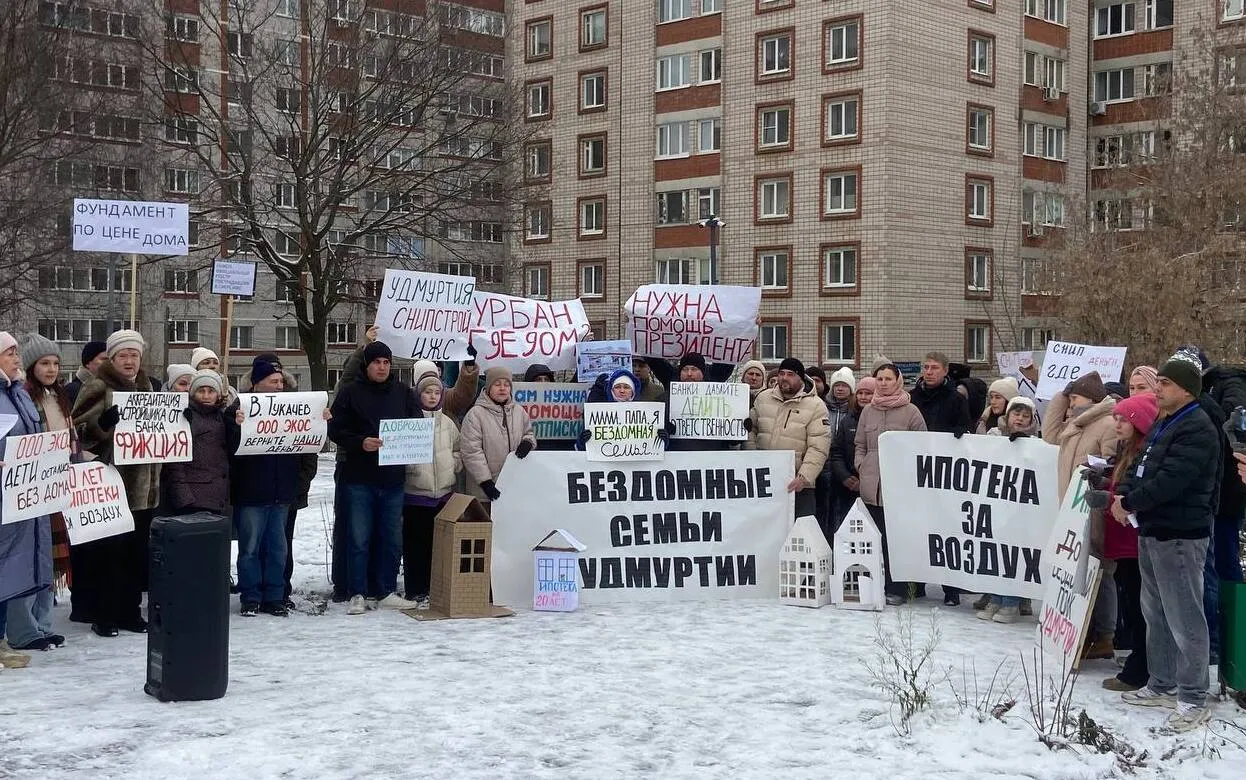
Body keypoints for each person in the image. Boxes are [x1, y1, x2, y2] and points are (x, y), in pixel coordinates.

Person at [1109, 351, 1219, 732]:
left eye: (1166, 383)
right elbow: (1141, 465)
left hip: (1180, 535)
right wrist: (1122, 496)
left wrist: (1132, 501)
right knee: (1155, 613)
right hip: (1152, 530)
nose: (1159, 389)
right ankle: (1161, 681)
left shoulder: (1198, 427)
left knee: (1185, 616)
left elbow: (1173, 480)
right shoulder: (1165, 421)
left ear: (1186, 390)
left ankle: (1193, 695)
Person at [71, 329, 160, 637]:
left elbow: (162, 431)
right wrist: (103, 424)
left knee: (136, 555)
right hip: (111, 486)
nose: (129, 361)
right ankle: (105, 614)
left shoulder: (148, 388)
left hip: (143, 487)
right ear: (112, 357)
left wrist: (182, 421)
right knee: (110, 554)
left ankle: (130, 612)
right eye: (123, 355)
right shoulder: (99, 385)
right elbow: (79, 430)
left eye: (134, 355)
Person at [329, 342, 422, 615]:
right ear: (366, 365)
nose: (382, 367)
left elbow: (416, 424)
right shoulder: (349, 392)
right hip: (358, 478)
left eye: (386, 362)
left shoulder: (403, 392)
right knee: (358, 538)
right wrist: (360, 443)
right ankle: (356, 592)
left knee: (391, 539)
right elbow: (335, 429)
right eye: (376, 362)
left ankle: (385, 590)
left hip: (392, 480)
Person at [1042, 371, 1119, 657]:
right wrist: (1061, 397)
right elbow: (1050, 435)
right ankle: (1084, 631)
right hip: (1073, 511)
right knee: (1079, 571)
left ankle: (1105, 635)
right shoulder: (1076, 425)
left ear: (1092, 398)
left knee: (1101, 572)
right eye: (1070, 397)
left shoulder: (1108, 424)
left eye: (1075, 397)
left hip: (1096, 511)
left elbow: (1112, 467)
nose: (1071, 402)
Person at [10, 334, 71, 651]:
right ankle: (26, 627)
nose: (51, 369)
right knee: (28, 559)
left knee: (48, 560)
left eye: (56, 363)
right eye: (44, 363)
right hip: (30, 488)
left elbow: (67, 438)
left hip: (55, 486)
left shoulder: (59, 397)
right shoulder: (23, 397)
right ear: (32, 365)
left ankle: (44, 624)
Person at [230, 362, 305, 617]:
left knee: (278, 548)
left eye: (281, 382)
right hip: (251, 492)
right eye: (274, 381)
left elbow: (306, 444)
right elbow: (228, 448)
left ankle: (274, 596)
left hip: (281, 492)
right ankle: (251, 596)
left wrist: (320, 420)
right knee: (250, 548)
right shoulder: (238, 409)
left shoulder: (292, 410)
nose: (279, 386)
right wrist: (234, 424)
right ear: (256, 383)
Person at [0, 333, 57, 662]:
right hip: (6, 495)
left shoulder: (16, 393)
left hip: (24, 495)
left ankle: (17, 633)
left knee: (20, 562)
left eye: (15, 353)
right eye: (9, 353)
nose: (16, 358)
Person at [855, 363, 927, 605]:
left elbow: (921, 447)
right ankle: (874, 583)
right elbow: (860, 444)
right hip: (871, 484)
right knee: (873, 537)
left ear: (897, 380)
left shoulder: (911, 411)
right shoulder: (868, 411)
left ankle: (897, 588)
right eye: (879, 379)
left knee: (894, 539)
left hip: (899, 486)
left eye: (887, 378)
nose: (883, 383)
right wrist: (861, 464)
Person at [1101, 391, 1158, 692]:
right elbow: (1122, 485)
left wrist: (1109, 496)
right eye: (1116, 418)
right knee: (1130, 600)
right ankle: (1139, 657)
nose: (1118, 424)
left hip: (1134, 539)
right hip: (1122, 538)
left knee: (1139, 604)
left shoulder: (1145, 452)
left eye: (1124, 419)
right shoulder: (1127, 450)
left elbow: (1135, 492)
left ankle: (1141, 665)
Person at [912, 352, 971, 606]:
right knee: (918, 528)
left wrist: (959, 433)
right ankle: (917, 582)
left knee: (947, 528)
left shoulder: (956, 399)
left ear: (945, 371)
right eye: (925, 367)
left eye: (934, 367)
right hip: (917, 472)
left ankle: (951, 588)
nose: (929, 371)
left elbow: (967, 430)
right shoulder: (912, 398)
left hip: (946, 475)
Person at [976, 397, 1039, 623]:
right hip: (995, 504)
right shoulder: (994, 435)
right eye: (1016, 414)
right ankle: (995, 598)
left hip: (1019, 509)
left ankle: (1011, 602)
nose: (1020, 419)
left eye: (1025, 416)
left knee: (1011, 555)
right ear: (1007, 416)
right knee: (993, 552)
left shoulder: (1036, 442)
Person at [402, 372, 462, 605]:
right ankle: (415, 588)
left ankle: (434, 587)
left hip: (443, 496)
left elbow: (458, 448)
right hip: (416, 494)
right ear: (419, 393)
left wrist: (453, 465)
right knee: (416, 545)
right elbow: (400, 452)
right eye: (427, 392)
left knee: (438, 547)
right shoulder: (409, 421)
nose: (432, 396)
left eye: (437, 392)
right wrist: (410, 468)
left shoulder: (448, 423)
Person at [750, 358, 831, 519]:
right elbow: (750, 430)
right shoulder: (763, 398)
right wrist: (752, 458)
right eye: (781, 374)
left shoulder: (816, 406)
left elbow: (819, 447)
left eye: (790, 374)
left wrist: (804, 477)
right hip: (763, 481)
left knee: (799, 535)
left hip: (797, 485)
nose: (784, 378)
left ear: (800, 377)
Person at [461, 367, 536, 503]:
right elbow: (471, 451)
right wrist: (485, 482)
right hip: (484, 493)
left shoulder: (519, 412)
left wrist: (528, 443)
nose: (502, 388)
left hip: (514, 488)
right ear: (488, 387)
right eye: (497, 384)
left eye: (506, 384)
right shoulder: (475, 414)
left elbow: (529, 433)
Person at [164, 370, 233, 515]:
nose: (206, 396)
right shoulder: (185, 417)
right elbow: (175, 464)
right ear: (193, 393)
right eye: (201, 391)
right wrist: (183, 498)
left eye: (211, 391)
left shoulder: (223, 416)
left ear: (218, 394)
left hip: (220, 499)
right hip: (194, 500)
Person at [829, 377, 876, 533]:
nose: (863, 397)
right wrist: (845, 477)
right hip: (848, 487)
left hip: (874, 488)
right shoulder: (847, 421)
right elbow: (836, 452)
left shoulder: (881, 419)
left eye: (868, 393)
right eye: (860, 393)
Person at [65, 340, 107, 405]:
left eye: (110, 360)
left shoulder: (110, 387)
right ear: (88, 363)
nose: (108, 363)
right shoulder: (72, 390)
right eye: (104, 359)